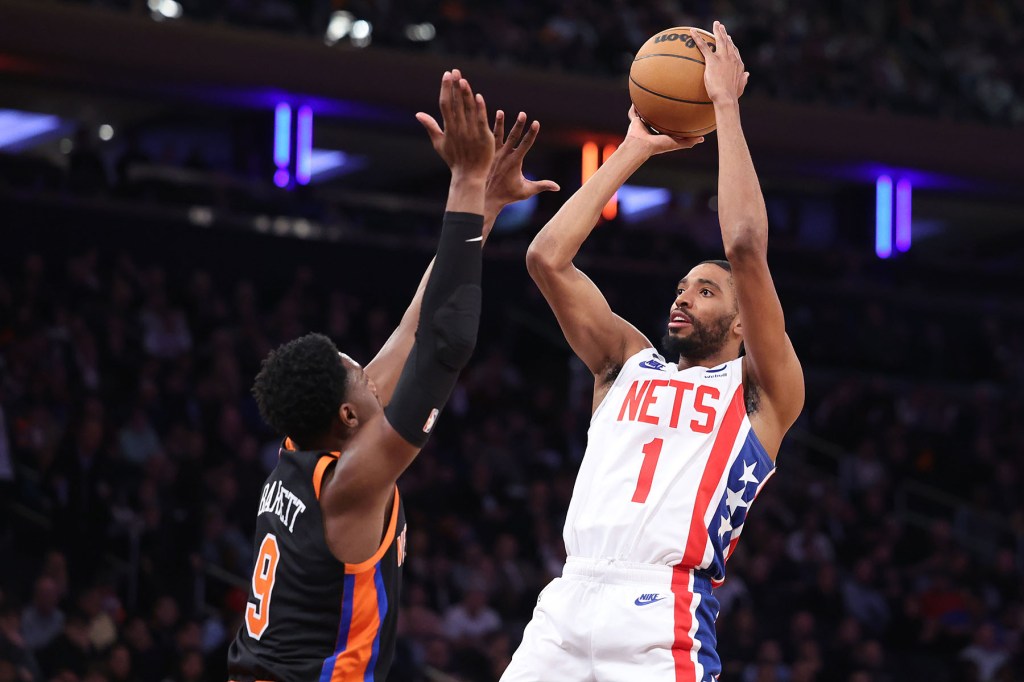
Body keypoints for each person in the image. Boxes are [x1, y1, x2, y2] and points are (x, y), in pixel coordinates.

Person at [227, 69, 558, 682]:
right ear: (348, 416)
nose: (369, 370)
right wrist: (461, 179)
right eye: (358, 373)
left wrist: (480, 205)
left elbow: (414, 327)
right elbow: (445, 343)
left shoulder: (308, 444)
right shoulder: (350, 481)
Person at [503, 22, 805, 681]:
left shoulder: (760, 391)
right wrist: (633, 148)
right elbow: (545, 259)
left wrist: (725, 106)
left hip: (660, 609)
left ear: (740, 325)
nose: (683, 299)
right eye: (680, 288)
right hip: (568, 598)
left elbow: (747, 245)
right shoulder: (626, 363)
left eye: (704, 291)